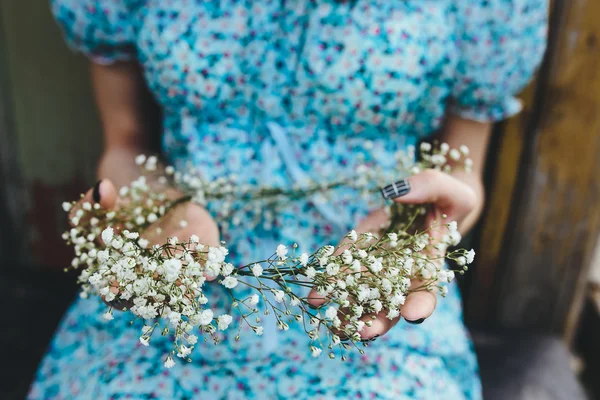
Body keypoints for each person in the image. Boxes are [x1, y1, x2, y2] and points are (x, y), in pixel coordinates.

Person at [29, 1, 548, 398]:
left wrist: (420, 227)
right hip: (177, 279)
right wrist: (157, 205)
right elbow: (126, 146)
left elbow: (461, 173)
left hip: (364, 282)